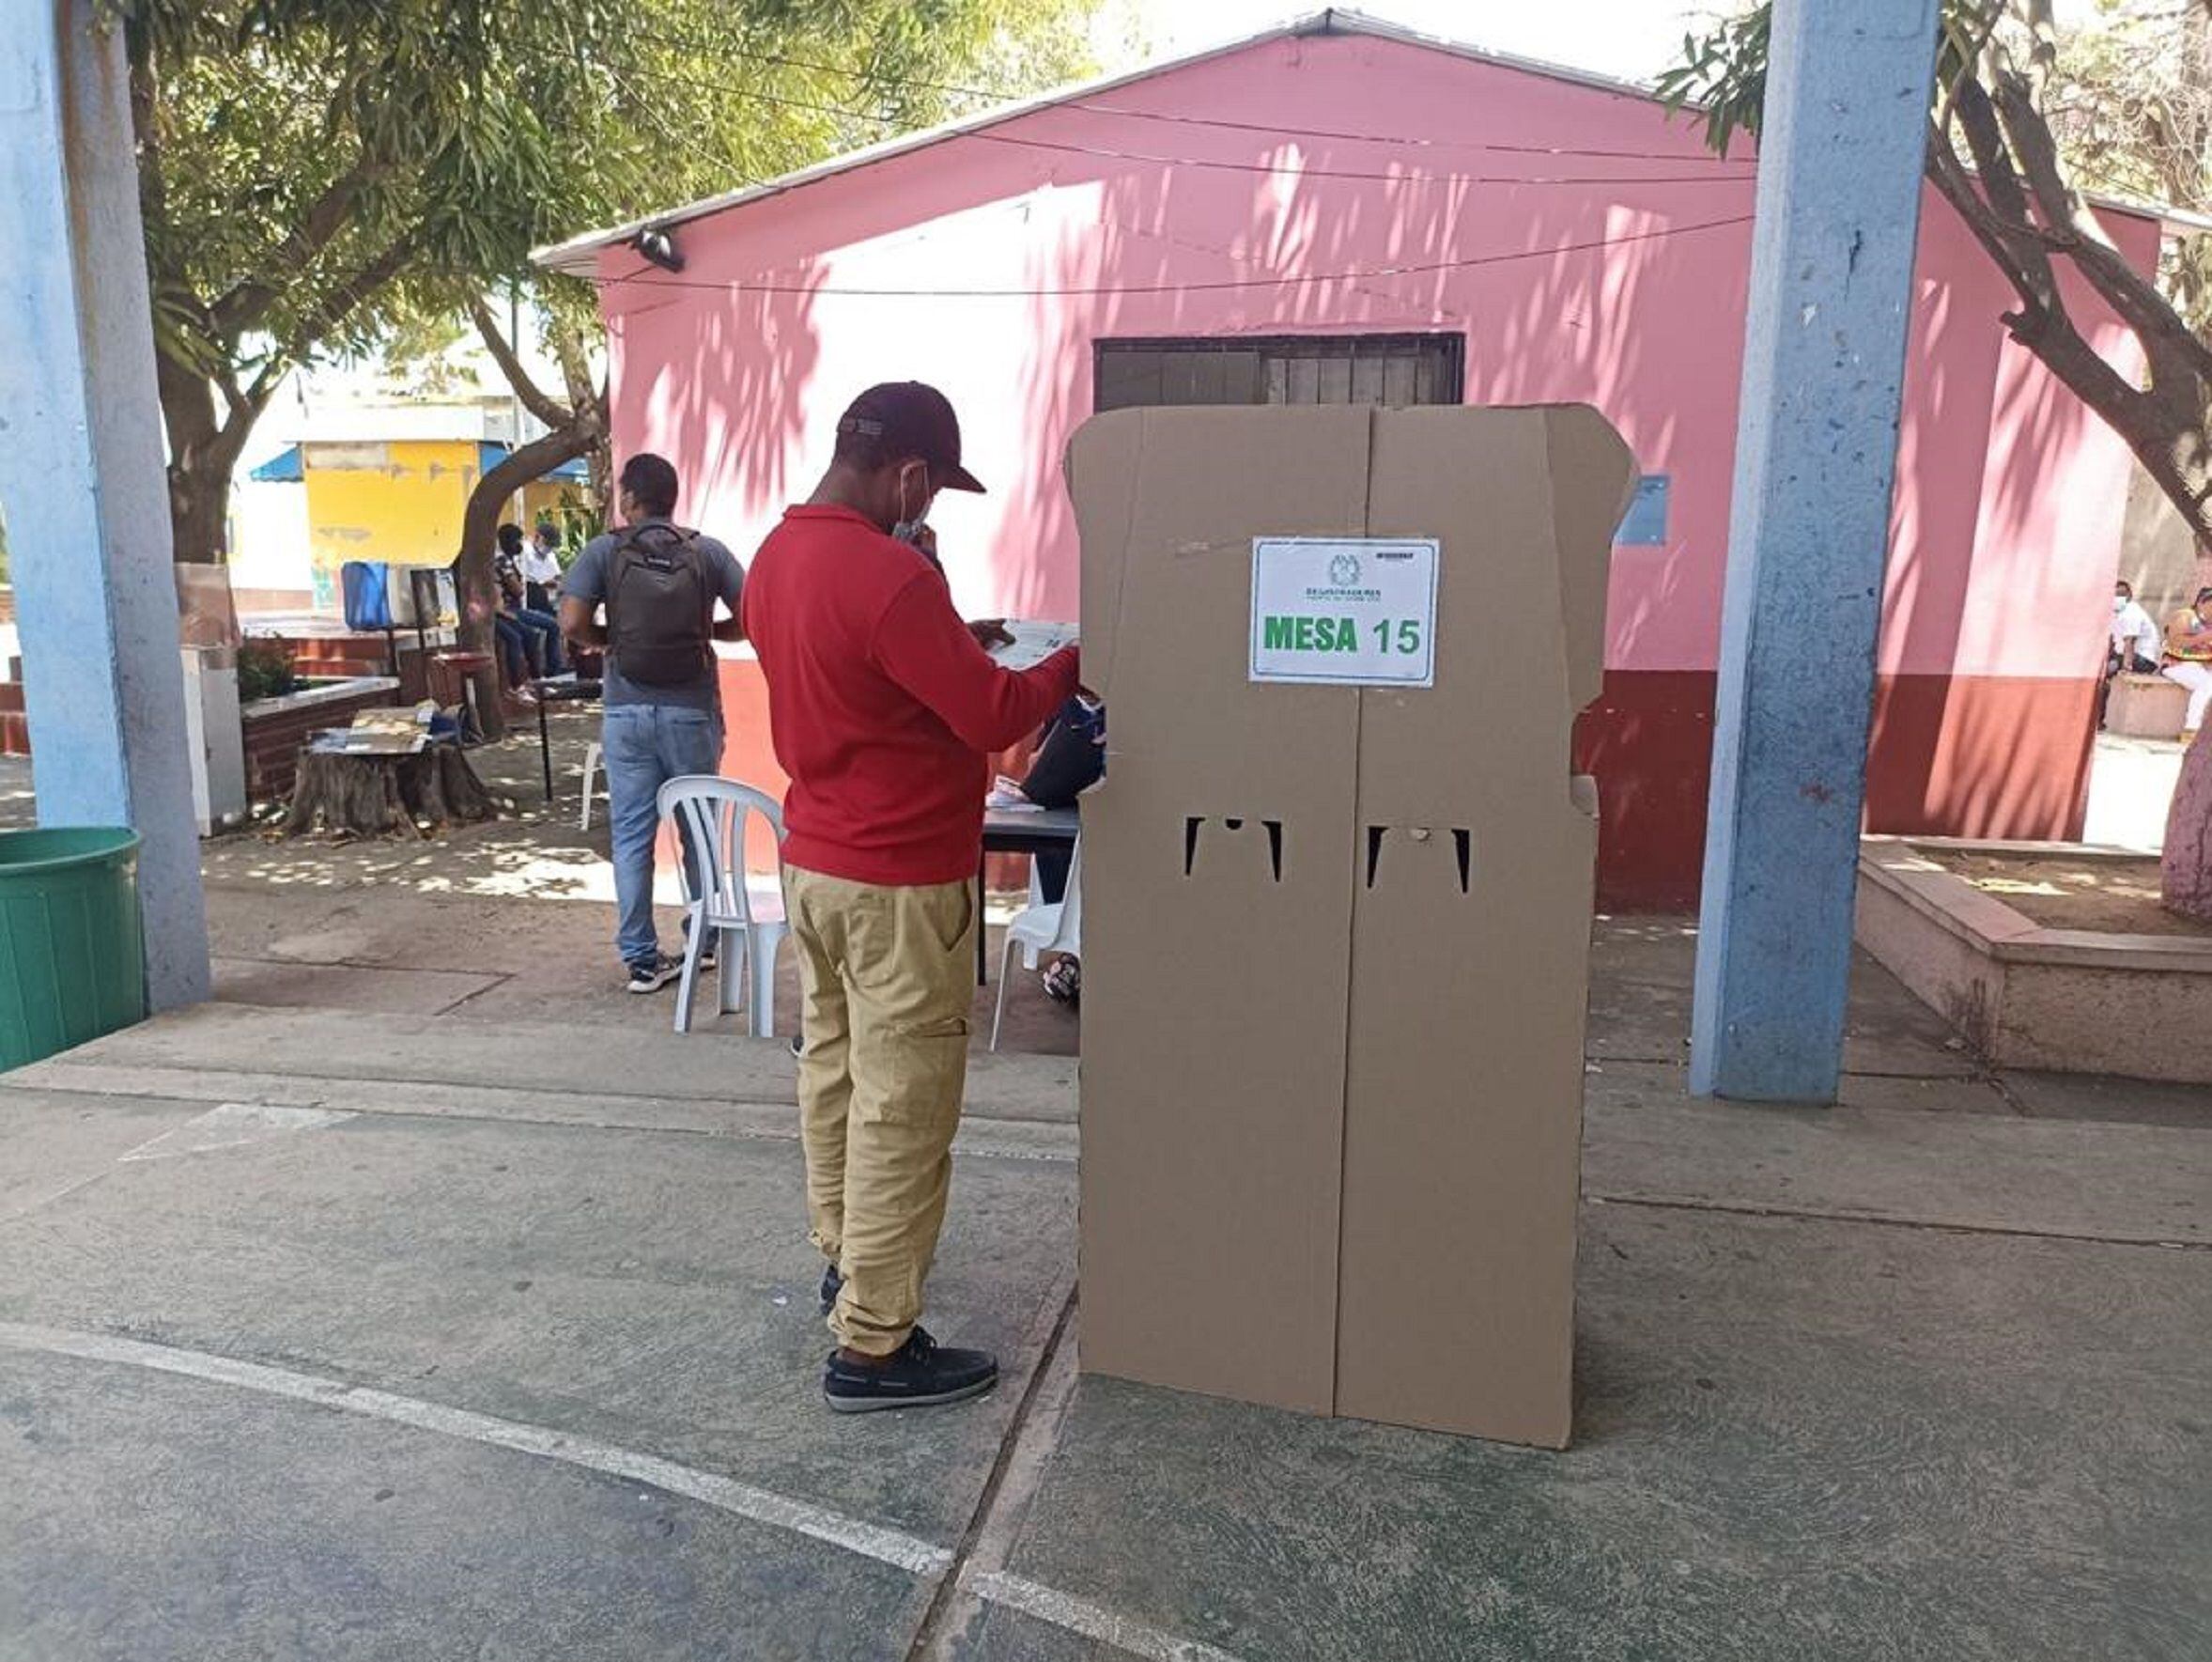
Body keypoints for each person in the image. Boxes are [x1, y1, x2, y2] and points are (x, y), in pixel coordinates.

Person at [743, 382, 1078, 1413]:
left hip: (816, 865)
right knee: (905, 1107)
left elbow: (869, 676)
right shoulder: (890, 575)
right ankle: (874, 1346)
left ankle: (847, 1261)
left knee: (837, 1077)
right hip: (898, 883)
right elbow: (993, 713)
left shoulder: (773, 558)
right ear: (910, 476)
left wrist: (945, 624)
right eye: (931, 494)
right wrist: (1077, 660)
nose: (928, 510)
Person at [559, 456, 749, 992]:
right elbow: (754, 616)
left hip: (626, 710)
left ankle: (642, 958)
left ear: (628, 499)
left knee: (632, 835)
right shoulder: (708, 552)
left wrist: (609, 642)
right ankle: (704, 940)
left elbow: (571, 621)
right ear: (673, 497)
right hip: (692, 710)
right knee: (699, 831)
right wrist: (707, 632)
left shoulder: (604, 551)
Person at [1015, 694, 1103, 1002]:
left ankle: (1080, 954)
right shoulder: (1068, 705)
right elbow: (1035, 771)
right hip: (1066, 817)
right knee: (1052, 842)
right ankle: (1073, 953)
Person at [493, 523, 565, 691]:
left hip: (515, 607)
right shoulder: (503, 560)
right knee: (529, 634)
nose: (519, 544)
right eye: (517, 541)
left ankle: (544, 675)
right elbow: (517, 590)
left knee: (546, 628)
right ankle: (536, 679)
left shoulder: (508, 559)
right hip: (508, 610)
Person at [2101, 581, 2164, 728]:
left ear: (2130, 595)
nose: (2118, 598)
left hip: (2143, 660)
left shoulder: (2131, 613)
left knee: (2106, 671)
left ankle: (2100, 719)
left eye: (2122, 594)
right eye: (2115, 594)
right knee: (2102, 671)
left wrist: (2126, 668)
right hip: (2126, 656)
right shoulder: (2117, 613)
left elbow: (2130, 642)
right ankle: (2100, 717)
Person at [2162, 587, 2212, 738]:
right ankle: (2191, 728)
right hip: (2177, 665)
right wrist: (2206, 636)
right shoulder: (2185, 616)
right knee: (2207, 685)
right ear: (2201, 603)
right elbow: (2176, 642)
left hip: (2202, 667)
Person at [524, 522, 565, 614]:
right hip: (533, 600)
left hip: (552, 599)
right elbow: (528, 580)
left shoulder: (550, 555)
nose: (549, 548)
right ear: (537, 537)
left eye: (552, 545)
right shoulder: (525, 552)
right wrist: (545, 583)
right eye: (548, 544)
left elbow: (557, 575)